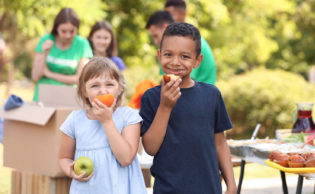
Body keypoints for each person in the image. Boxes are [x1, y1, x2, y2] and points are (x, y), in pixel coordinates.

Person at [140, 22, 236, 194]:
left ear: (197, 61)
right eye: (168, 54)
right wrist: (165, 106)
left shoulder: (211, 95)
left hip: (208, 188)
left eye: (185, 56)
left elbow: (220, 143)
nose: (175, 62)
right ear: (159, 55)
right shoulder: (151, 97)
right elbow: (150, 148)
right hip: (168, 189)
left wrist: (232, 185)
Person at [58, 57, 147, 194]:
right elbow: (64, 157)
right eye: (95, 86)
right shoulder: (74, 120)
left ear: (119, 88)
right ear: (84, 92)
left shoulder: (129, 117)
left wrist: (107, 121)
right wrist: (69, 170)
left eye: (109, 85)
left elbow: (126, 158)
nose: (103, 91)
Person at [31, 7, 93, 101]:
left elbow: (81, 80)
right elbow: (35, 76)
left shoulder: (82, 44)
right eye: (63, 31)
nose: (68, 35)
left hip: (68, 98)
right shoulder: (46, 40)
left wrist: (49, 74)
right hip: (43, 97)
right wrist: (44, 54)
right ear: (56, 28)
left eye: (72, 31)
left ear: (77, 28)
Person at [146, 10, 216, 85]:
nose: (155, 42)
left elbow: (181, 81)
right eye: (169, 55)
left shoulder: (191, 42)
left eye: (156, 36)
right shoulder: (167, 50)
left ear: (165, 28)